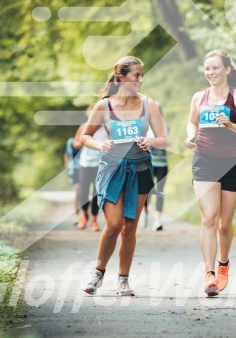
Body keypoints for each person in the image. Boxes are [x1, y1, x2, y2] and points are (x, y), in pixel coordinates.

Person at [80, 56, 167, 296]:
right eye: (136, 75)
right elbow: (83, 137)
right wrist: (101, 146)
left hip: (140, 170)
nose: (140, 79)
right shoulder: (104, 106)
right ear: (122, 78)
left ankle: (123, 280)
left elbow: (163, 139)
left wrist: (150, 140)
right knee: (114, 224)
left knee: (130, 228)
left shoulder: (150, 105)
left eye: (141, 75)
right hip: (112, 170)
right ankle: (97, 273)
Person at [184, 50, 236, 297]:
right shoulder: (198, 97)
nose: (211, 73)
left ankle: (223, 265)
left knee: (224, 225)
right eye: (207, 69)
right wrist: (190, 134)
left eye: (216, 68)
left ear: (227, 70)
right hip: (204, 160)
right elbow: (192, 121)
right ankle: (208, 275)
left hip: (233, 163)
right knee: (208, 217)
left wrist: (231, 125)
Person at [76, 106, 107, 232]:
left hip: (100, 165)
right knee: (83, 192)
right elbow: (75, 144)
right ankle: (85, 216)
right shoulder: (84, 127)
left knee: (96, 194)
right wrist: (87, 141)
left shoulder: (106, 128)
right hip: (85, 164)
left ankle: (94, 220)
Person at [142, 104, 169, 231]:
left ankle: (157, 220)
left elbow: (163, 143)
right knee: (146, 191)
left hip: (162, 163)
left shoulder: (165, 127)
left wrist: (158, 142)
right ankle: (144, 214)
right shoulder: (145, 127)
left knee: (160, 191)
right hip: (149, 163)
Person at [64, 128, 83, 224]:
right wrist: (67, 164)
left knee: (84, 193)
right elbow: (66, 154)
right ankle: (77, 215)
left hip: (85, 168)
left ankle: (85, 215)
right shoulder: (70, 142)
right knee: (77, 192)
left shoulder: (87, 141)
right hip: (74, 169)